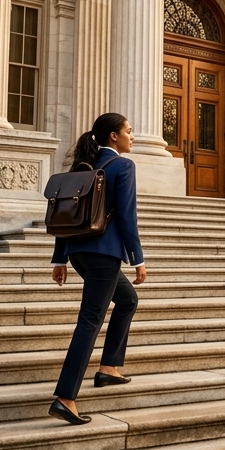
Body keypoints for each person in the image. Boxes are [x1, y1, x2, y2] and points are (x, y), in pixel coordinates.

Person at [48, 113, 146, 426]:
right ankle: (65, 398)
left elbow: (65, 213)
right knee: (89, 321)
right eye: (129, 131)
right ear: (114, 137)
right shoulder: (122, 166)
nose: (132, 136)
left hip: (79, 252)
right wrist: (138, 259)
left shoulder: (83, 167)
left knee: (128, 300)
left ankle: (109, 368)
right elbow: (127, 217)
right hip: (104, 254)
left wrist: (60, 258)